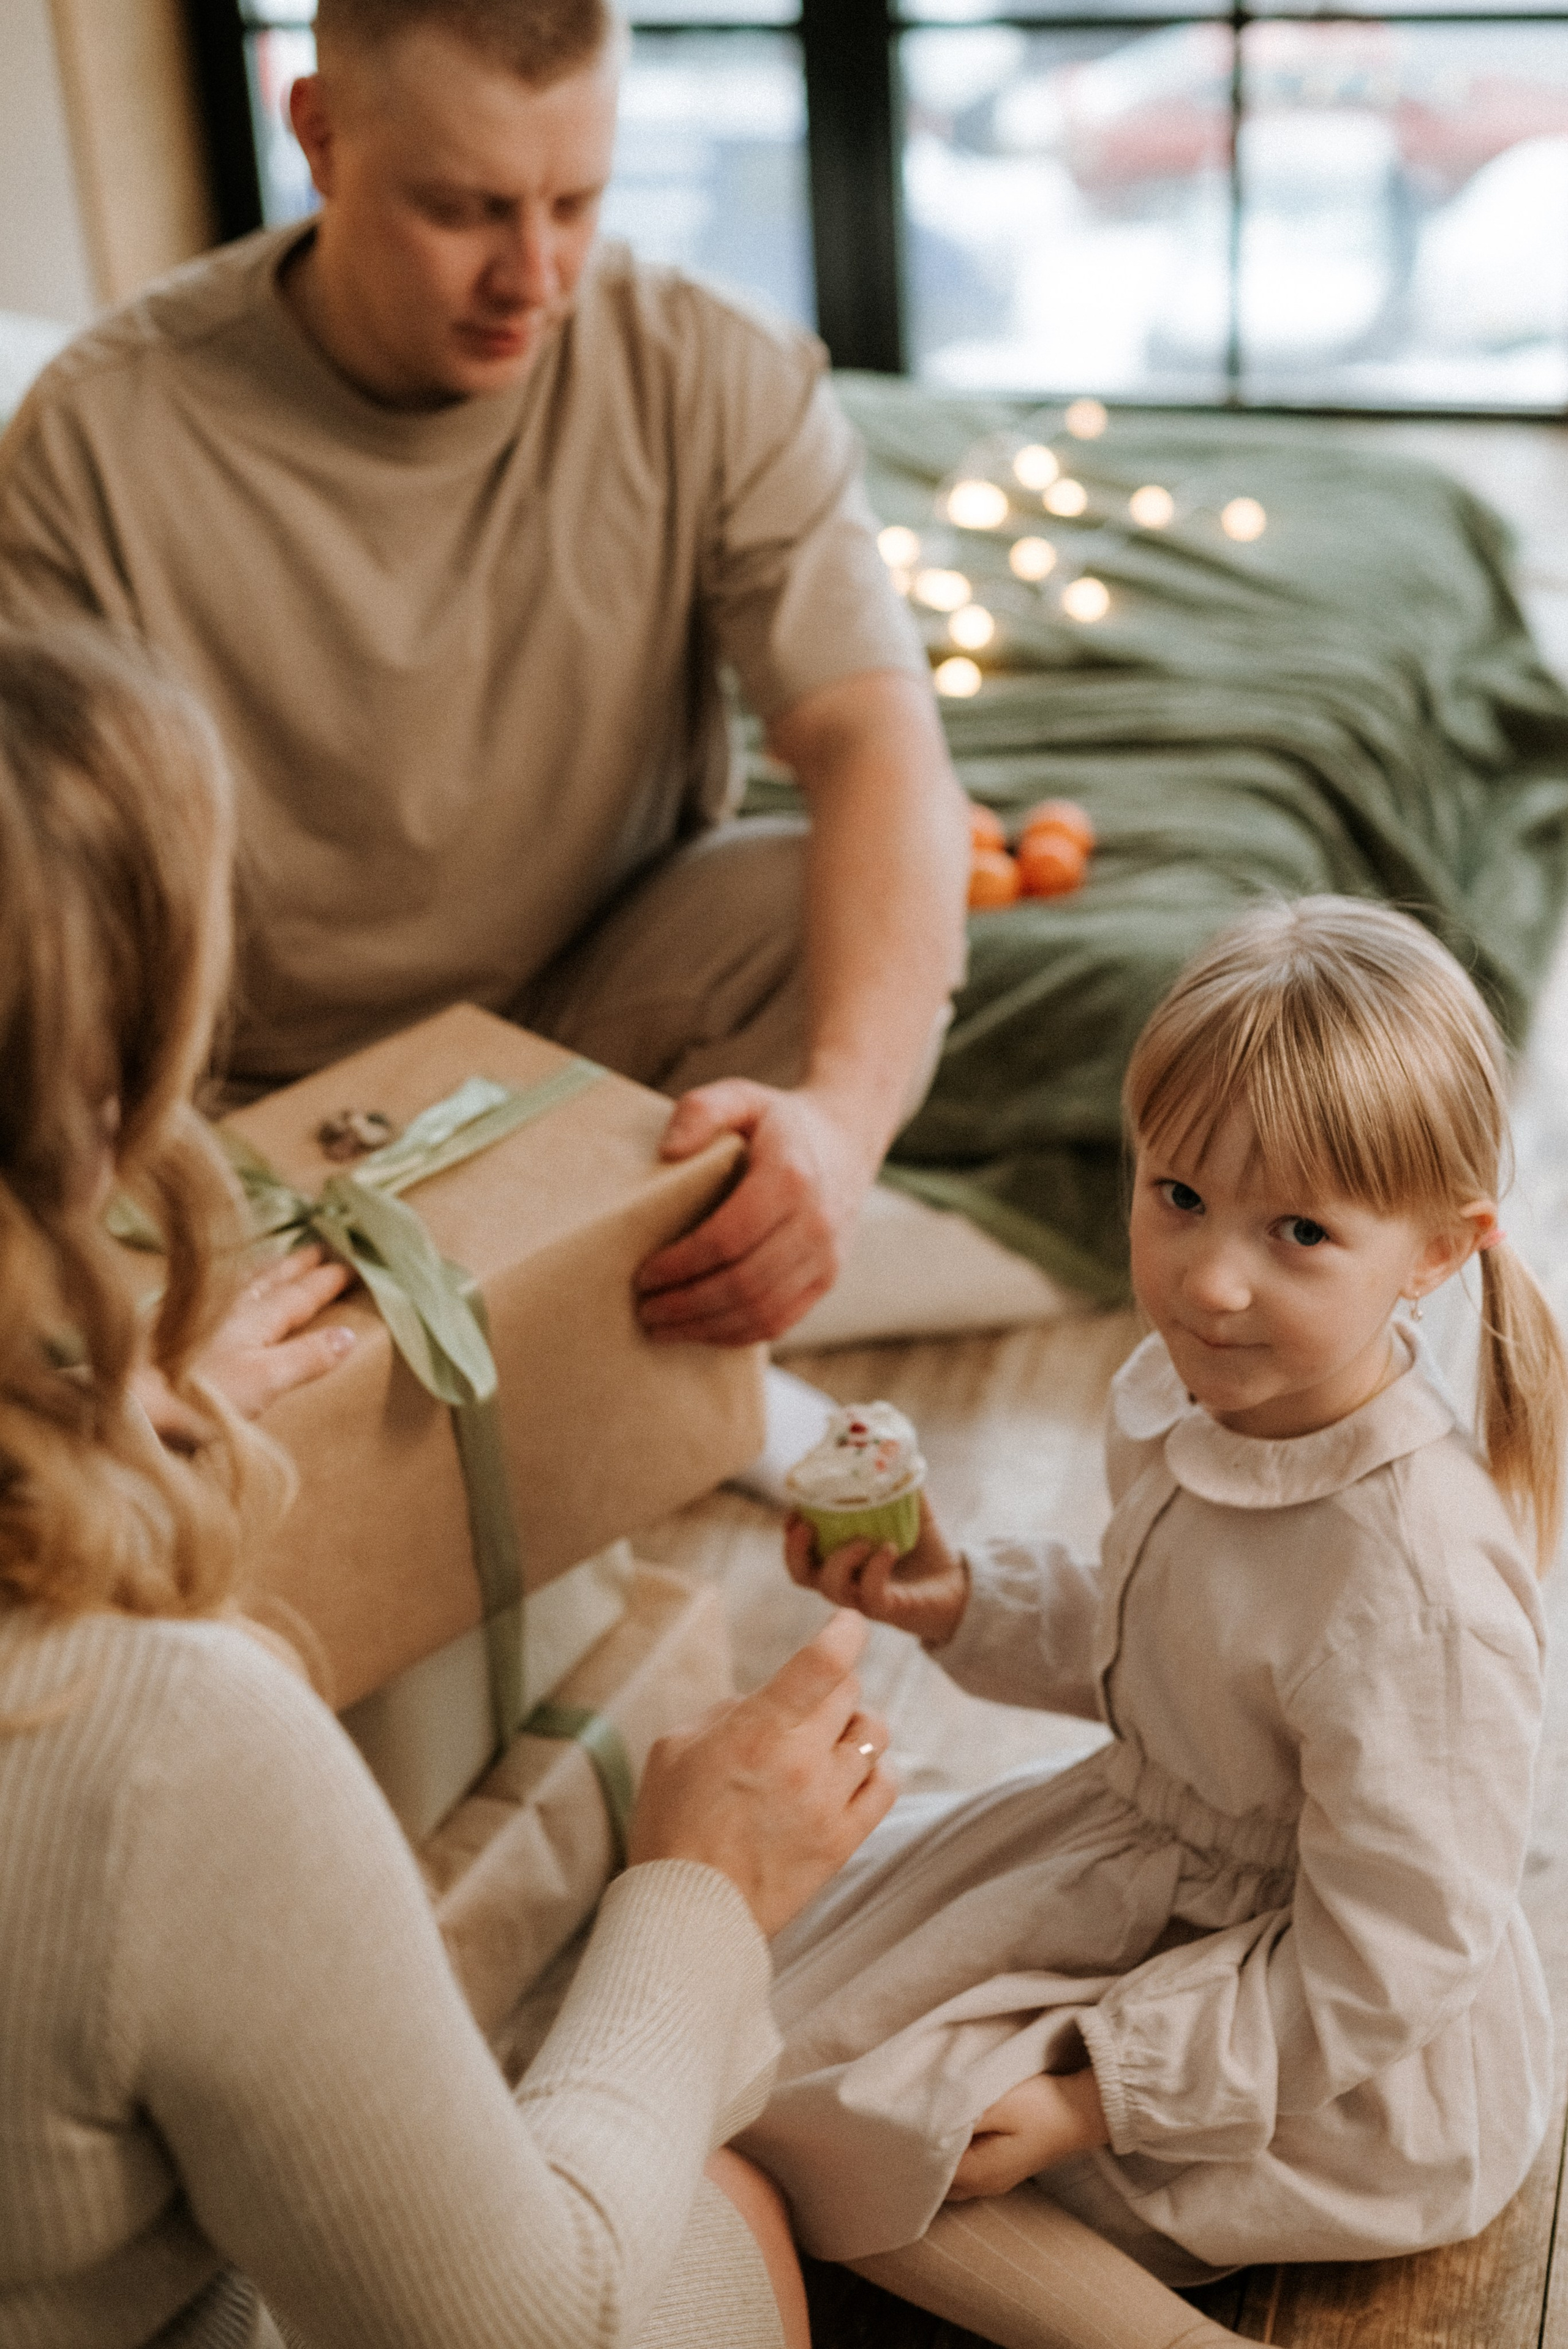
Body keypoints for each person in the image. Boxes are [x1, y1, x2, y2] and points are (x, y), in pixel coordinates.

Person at [0, 620, 907, 2348]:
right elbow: (530, 2325)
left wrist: (93, 1416)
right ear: (106, 1090)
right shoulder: (160, 1744)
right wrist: (700, 1885)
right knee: (736, 2213)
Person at [0, 0, 971, 1354]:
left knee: (832, 902)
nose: (535, 275)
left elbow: (876, 737)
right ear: (321, 139)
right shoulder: (93, 437)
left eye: (574, 200)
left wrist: (844, 1127)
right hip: (232, 1086)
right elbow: (48, 911)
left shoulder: (711, 365)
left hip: (582, 1011)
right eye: (462, 210)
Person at [741, 896, 1562, 2331]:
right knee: (755, 2025)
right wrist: (961, 1597)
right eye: (1175, 1196)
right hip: (1158, 1869)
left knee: (836, 2124)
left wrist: (1093, 2097)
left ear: (1435, 1254)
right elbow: (1167, 1656)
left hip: (1317, 2044)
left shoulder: (1411, 1587)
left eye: (1298, 1231)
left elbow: (1386, 1962)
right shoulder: (1205, 1391)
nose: (1209, 1278)